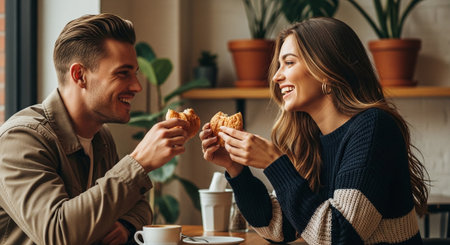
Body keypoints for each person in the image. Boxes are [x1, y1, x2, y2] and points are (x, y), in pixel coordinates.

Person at [200, 17, 429, 244]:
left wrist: (274, 162)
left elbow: (339, 236)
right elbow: (280, 228)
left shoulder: (373, 128)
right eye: (279, 65)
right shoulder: (312, 141)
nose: (277, 76)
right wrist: (237, 169)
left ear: (326, 69)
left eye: (289, 63)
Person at [0, 14, 189, 244]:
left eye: (135, 73)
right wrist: (138, 163)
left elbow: (138, 206)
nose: (137, 86)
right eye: (123, 73)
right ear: (79, 75)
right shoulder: (21, 139)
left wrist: (126, 224)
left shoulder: (101, 137)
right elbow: (58, 233)